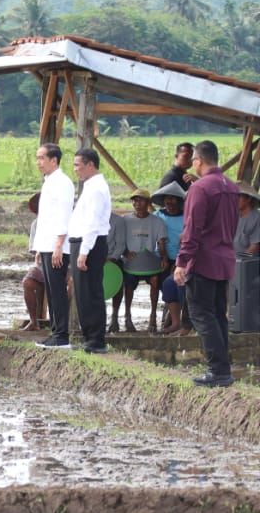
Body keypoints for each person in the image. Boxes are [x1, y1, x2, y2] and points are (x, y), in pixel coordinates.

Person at [174, 140, 240, 387]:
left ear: (199, 161)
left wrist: (182, 261)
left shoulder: (200, 188)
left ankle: (218, 370)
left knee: (201, 314)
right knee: (217, 315)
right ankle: (223, 369)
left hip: (203, 260)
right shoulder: (231, 187)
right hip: (224, 258)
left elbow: (193, 229)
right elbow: (232, 225)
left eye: (194, 161)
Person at [67, 147, 112, 355]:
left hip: (90, 243)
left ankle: (95, 340)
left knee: (90, 292)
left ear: (90, 165)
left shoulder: (96, 188)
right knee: (83, 292)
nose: (75, 169)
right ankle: (90, 338)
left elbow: (93, 223)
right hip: (84, 242)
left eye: (78, 165)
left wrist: (84, 251)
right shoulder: (90, 186)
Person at [32, 143, 74, 349]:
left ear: (54, 160)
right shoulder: (49, 181)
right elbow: (46, 219)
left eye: (42, 158)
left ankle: (62, 336)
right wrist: (40, 246)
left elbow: (64, 216)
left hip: (58, 246)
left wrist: (58, 244)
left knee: (57, 290)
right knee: (51, 289)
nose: (38, 162)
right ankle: (55, 332)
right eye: (37, 158)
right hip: (48, 244)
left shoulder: (63, 182)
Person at [116, 188, 168, 332]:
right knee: (128, 283)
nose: (137, 203)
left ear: (148, 202)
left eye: (140, 200)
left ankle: (153, 316)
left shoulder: (157, 221)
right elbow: (119, 240)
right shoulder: (125, 220)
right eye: (134, 200)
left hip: (149, 261)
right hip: (131, 262)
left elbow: (161, 243)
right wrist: (125, 252)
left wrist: (164, 258)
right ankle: (127, 316)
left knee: (155, 280)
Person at [153, 183, 189, 334]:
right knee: (164, 285)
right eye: (167, 199)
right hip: (161, 258)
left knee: (178, 284)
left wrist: (180, 262)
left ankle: (178, 320)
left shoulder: (186, 216)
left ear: (179, 201)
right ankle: (172, 319)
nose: (170, 202)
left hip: (181, 259)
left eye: (174, 199)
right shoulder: (158, 216)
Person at [20, 193, 45, 331]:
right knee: (27, 283)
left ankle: (63, 322)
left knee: (69, 284)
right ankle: (34, 322)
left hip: (65, 263)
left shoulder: (65, 220)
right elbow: (34, 248)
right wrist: (40, 252)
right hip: (42, 263)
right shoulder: (36, 223)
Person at [235, 185, 260, 255]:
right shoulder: (233, 215)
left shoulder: (257, 218)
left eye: (239, 196)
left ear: (249, 199)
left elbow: (255, 246)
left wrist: (238, 261)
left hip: (248, 262)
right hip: (230, 259)